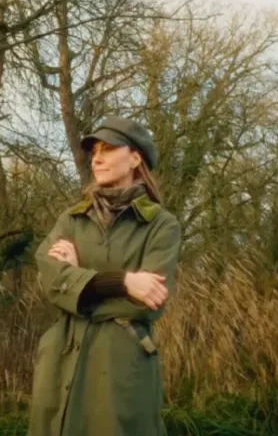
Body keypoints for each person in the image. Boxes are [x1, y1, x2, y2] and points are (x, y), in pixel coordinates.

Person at [28, 116, 182, 436]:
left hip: (119, 365)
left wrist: (76, 282)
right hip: (61, 360)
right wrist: (124, 282)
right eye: (95, 150)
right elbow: (49, 281)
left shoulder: (161, 226)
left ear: (135, 158)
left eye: (109, 149)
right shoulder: (72, 219)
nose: (96, 158)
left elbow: (147, 304)